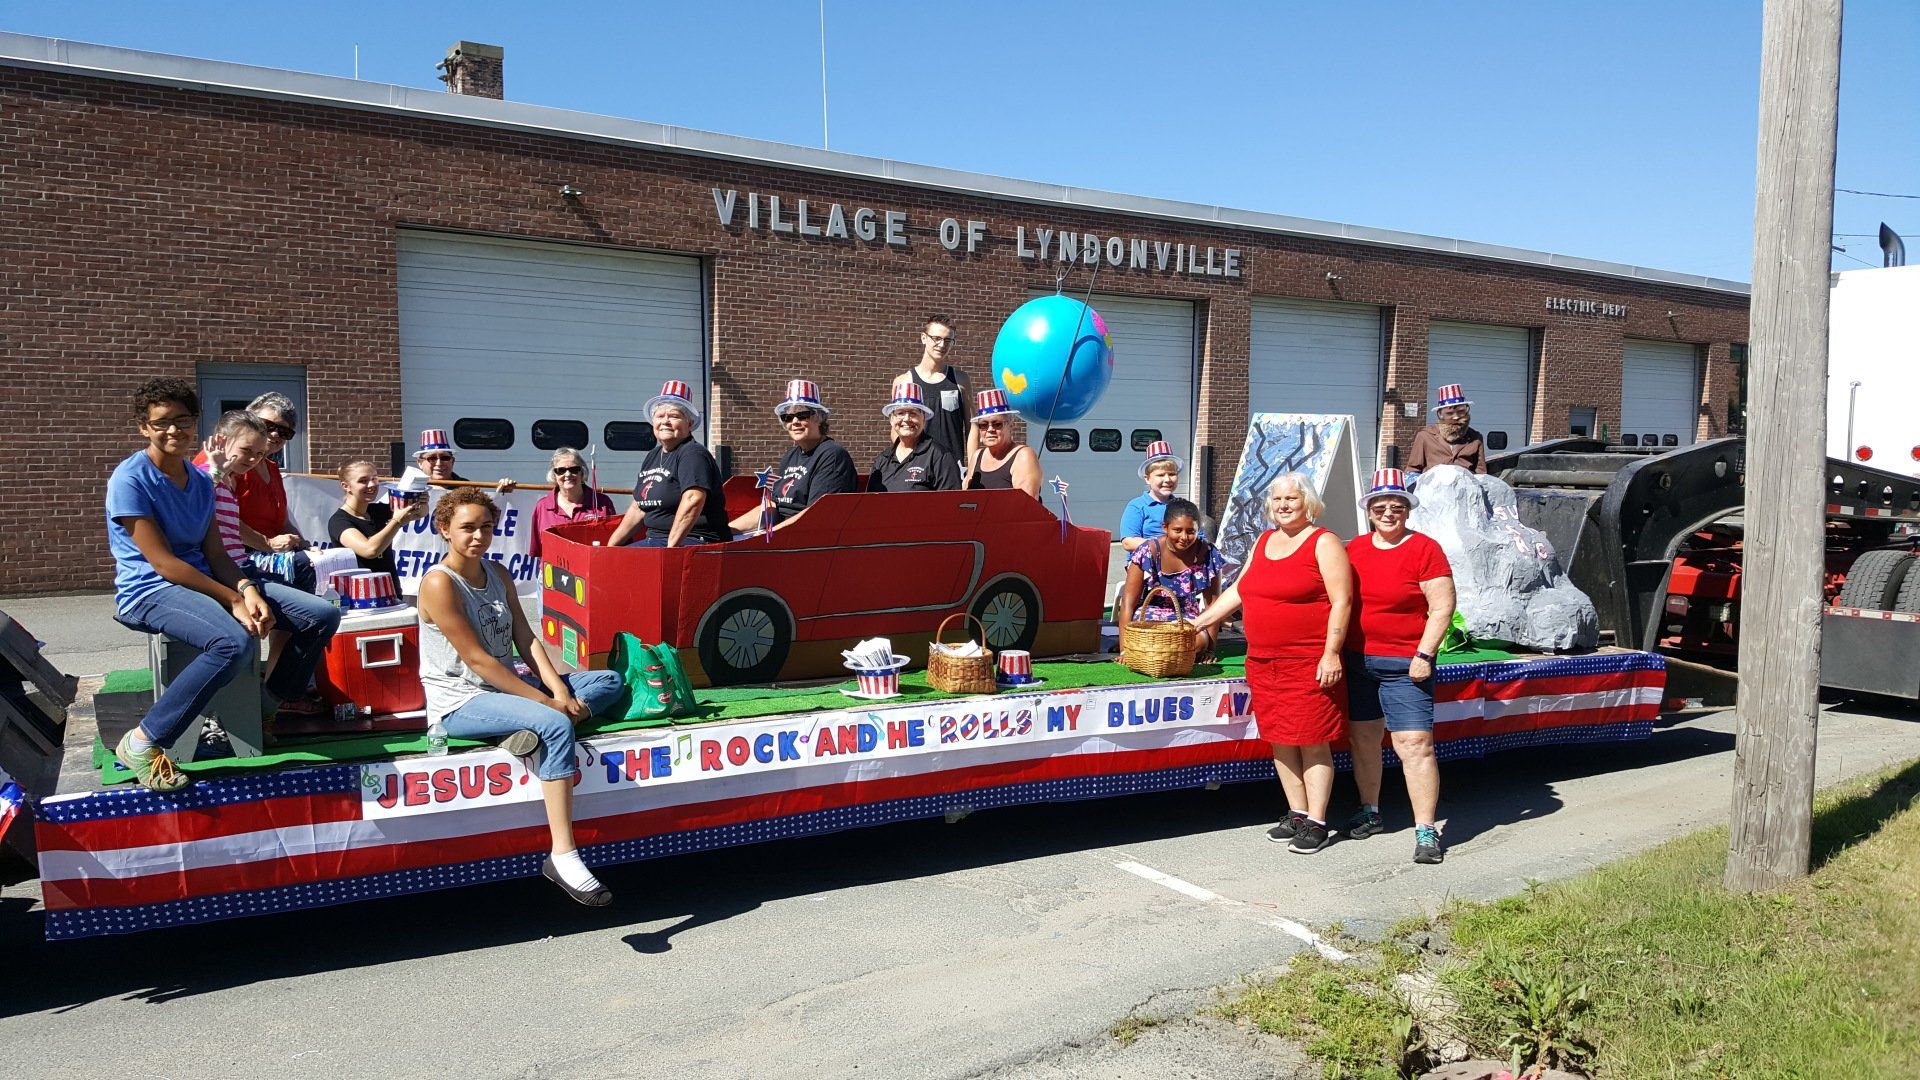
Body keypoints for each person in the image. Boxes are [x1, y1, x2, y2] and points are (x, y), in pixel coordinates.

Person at [108, 379, 340, 791]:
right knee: (233, 643)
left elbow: (218, 554)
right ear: (144, 427)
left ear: (195, 423)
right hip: (149, 589)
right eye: (162, 422)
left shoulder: (201, 483)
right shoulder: (131, 479)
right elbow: (163, 563)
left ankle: (264, 707)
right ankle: (143, 742)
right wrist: (233, 597)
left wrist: (248, 590)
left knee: (321, 614)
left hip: (208, 579)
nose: (174, 430)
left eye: (183, 421)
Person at [416, 487, 625, 906]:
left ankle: (516, 728)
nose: (478, 536)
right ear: (444, 530)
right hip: (459, 702)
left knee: (607, 682)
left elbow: (526, 638)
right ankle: (563, 855)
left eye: (486, 528)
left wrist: (560, 688)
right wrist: (548, 705)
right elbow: (478, 662)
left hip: (508, 689)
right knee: (555, 722)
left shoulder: (498, 573)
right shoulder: (439, 583)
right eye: (467, 528)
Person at [1192, 472, 1352, 853]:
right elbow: (1239, 590)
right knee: (1280, 739)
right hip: (1264, 661)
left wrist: (1331, 652)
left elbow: (1342, 602)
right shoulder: (1264, 540)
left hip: (1308, 660)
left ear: (1308, 503)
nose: (1283, 506)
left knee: (1313, 742)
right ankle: (1296, 812)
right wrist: (1197, 623)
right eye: (1277, 500)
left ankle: (1316, 821)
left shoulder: (1324, 542)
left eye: (1291, 499)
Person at [1343, 469, 1456, 865]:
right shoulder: (1353, 549)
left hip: (1406, 665)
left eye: (1396, 506)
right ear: (1369, 512)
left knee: (1415, 746)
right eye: (1380, 507)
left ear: (1407, 510)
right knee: (1364, 741)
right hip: (1358, 662)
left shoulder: (1425, 549)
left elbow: (1442, 607)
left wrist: (1424, 655)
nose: (1388, 513)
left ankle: (1426, 829)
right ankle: (1370, 811)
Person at [193, 391, 316, 592]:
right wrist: (268, 544)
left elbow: (282, 522)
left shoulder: (272, 469)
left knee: (317, 562)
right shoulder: (221, 462)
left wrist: (304, 545)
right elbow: (213, 513)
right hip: (241, 557)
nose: (275, 434)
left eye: (285, 433)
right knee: (303, 567)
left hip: (266, 554)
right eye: (268, 426)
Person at [608, 381, 732, 548]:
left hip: (694, 541)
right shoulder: (653, 455)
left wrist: (670, 549)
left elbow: (693, 499)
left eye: (674, 416)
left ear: (689, 424)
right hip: (655, 540)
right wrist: (609, 548)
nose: (665, 421)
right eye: (660, 416)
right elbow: (638, 507)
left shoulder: (693, 454)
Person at [730, 379, 859, 534]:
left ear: (819, 418)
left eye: (803, 415)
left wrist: (768, 536)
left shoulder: (832, 456)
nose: (795, 422)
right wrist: (728, 531)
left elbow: (815, 514)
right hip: (781, 535)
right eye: (788, 417)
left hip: (807, 541)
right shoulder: (790, 456)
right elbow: (773, 506)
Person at [1115, 498, 1230, 660]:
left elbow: (1214, 605)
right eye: (1177, 530)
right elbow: (1128, 603)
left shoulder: (1209, 554)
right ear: (1165, 528)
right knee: (1153, 640)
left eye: (1191, 531)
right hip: (1149, 617)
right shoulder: (1147, 552)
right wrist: (1125, 650)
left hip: (1187, 618)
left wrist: (1209, 650)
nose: (1184, 537)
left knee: (1197, 642)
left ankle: (1158, 654)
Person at [898, 314, 973, 469]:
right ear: (923, 338)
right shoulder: (904, 381)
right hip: (916, 468)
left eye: (947, 340)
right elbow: (896, 429)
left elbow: (972, 427)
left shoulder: (960, 380)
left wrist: (972, 468)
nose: (941, 344)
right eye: (936, 338)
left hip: (953, 468)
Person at [329, 460, 424, 581]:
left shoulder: (378, 510)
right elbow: (370, 550)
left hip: (390, 592)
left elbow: (419, 513)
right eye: (363, 481)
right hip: (361, 595)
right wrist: (396, 522)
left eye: (374, 478)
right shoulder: (339, 521)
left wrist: (421, 499)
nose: (371, 484)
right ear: (346, 486)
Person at [867, 381, 963, 493]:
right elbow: (870, 503)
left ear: (923, 419)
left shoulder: (940, 457)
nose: (907, 419)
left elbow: (950, 504)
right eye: (901, 413)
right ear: (892, 420)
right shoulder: (882, 460)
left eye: (913, 413)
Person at [529, 447, 616, 560]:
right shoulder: (542, 506)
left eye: (574, 469)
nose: (568, 474)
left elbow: (614, 545)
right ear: (554, 475)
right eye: (561, 470)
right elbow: (538, 550)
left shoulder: (603, 503)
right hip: (553, 573)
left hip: (590, 570)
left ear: (582, 472)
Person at [962, 388, 1042, 499]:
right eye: (983, 425)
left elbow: (1026, 506)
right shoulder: (977, 456)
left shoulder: (1023, 456)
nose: (990, 429)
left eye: (997, 424)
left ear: (1010, 425)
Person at [1405, 384, 1488, 475]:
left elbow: (1481, 474)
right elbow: (1412, 471)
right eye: (1450, 413)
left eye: (1461, 412)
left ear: (1467, 409)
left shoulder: (1475, 438)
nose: (1456, 417)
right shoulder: (1425, 436)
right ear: (1440, 414)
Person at [1119, 441, 1183, 552]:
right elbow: (1128, 542)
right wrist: (1164, 545)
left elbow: (1199, 536)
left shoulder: (1183, 506)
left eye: (1172, 474)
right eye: (1161, 475)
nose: (1167, 479)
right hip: (1147, 564)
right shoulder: (1137, 506)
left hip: (1179, 565)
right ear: (1147, 478)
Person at [413, 428, 516, 494]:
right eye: (432, 458)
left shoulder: (469, 488)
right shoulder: (411, 489)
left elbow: (489, 514)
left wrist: (502, 495)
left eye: (445, 458)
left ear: (452, 461)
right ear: (420, 462)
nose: (439, 463)